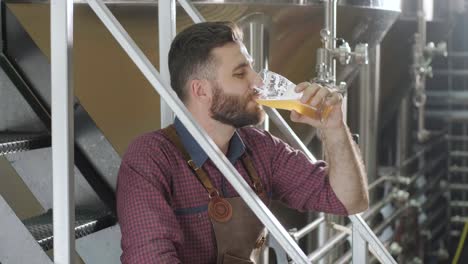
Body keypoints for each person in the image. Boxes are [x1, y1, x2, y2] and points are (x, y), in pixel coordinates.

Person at [116, 21, 368, 264]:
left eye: (252, 68)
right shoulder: (150, 159)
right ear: (201, 91)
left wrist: (335, 128)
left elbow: (349, 200)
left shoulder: (260, 147)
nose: (257, 81)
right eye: (240, 73)